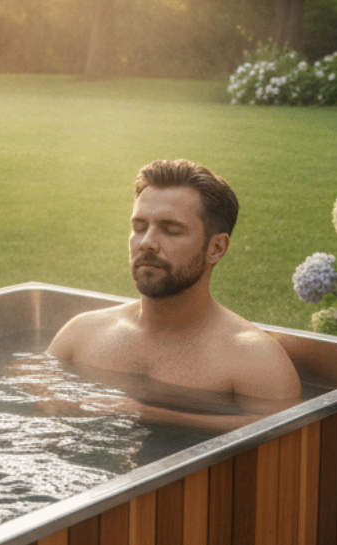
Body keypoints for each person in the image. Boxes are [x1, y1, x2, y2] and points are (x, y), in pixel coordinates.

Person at [48, 158, 301, 424]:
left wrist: (152, 415)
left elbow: (285, 435)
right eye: (139, 227)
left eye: (170, 230)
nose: (147, 243)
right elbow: (38, 397)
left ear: (216, 249)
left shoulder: (255, 361)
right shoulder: (81, 336)